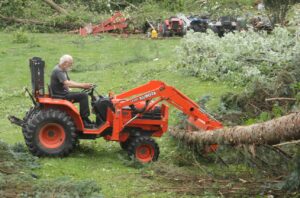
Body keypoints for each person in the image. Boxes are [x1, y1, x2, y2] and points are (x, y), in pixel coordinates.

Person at [50, 54, 94, 128]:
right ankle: (84, 120)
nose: (71, 66)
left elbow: (68, 81)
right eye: (70, 64)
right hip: (61, 95)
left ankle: (86, 120)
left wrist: (82, 85)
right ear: (66, 63)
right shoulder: (59, 71)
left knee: (82, 94)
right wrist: (82, 85)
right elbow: (67, 83)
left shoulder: (62, 69)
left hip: (62, 93)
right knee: (83, 96)